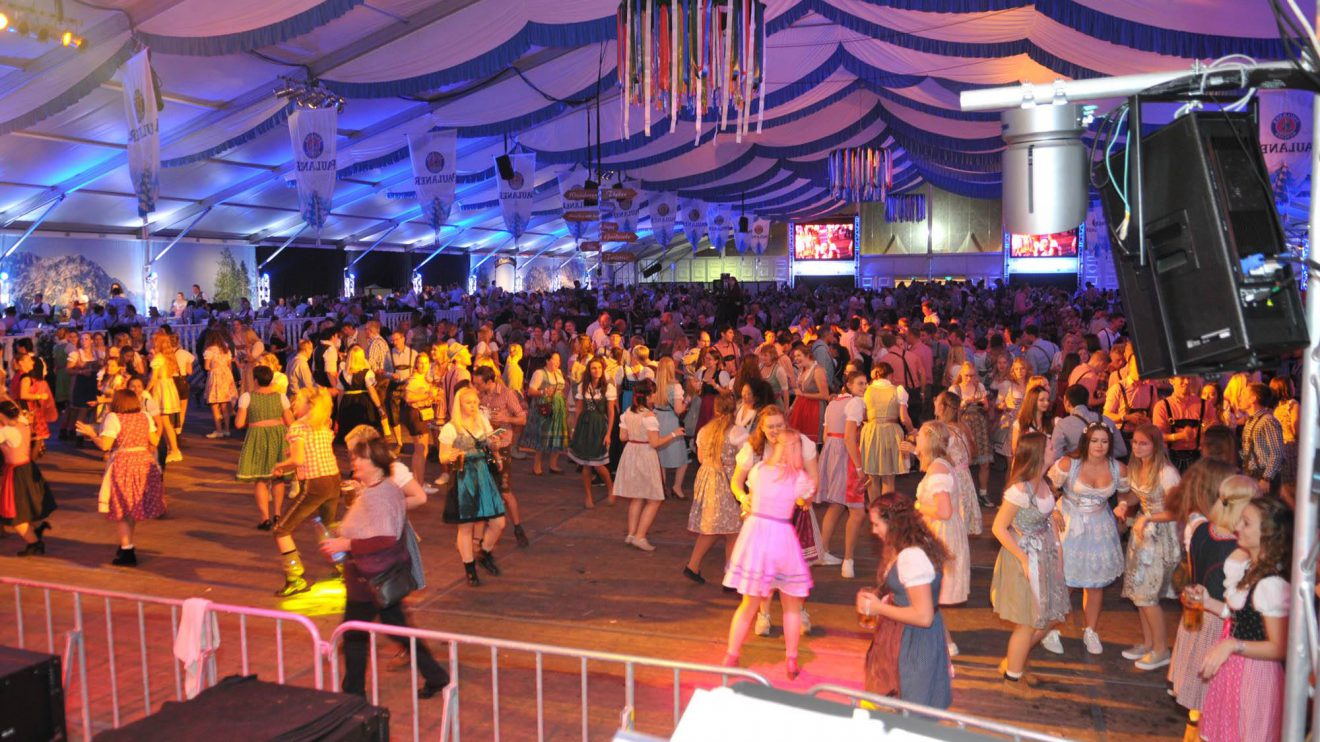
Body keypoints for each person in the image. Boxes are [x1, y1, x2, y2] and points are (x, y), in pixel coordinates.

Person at [321, 437, 450, 698]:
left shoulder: (377, 495)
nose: (354, 461)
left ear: (375, 463)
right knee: (399, 630)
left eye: (360, 457)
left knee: (355, 637)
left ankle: (353, 695)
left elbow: (384, 537)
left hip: (369, 578)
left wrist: (346, 542)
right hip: (382, 576)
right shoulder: (386, 488)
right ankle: (436, 675)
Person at [1194, 495, 1292, 742]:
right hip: (1235, 671)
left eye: (1246, 523)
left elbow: (1280, 647)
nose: (1237, 527)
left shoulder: (1272, 583)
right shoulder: (1250, 565)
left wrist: (1232, 645)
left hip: (1256, 677)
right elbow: (1241, 617)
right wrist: (1209, 603)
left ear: (1268, 533)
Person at [723, 415, 814, 680]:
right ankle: (791, 658)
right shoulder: (798, 479)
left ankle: (731, 655)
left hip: (757, 535)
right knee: (791, 604)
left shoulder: (759, 471)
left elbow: (748, 492)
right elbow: (806, 499)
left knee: (748, 603)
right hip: (782, 536)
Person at [990, 431, 1069, 695]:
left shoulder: (1043, 482)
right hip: (1023, 558)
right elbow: (999, 528)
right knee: (1027, 622)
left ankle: (1015, 663)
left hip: (1043, 554)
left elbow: (1044, 512)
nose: (1053, 446)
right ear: (1036, 452)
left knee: (1048, 618)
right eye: (1048, 445)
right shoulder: (1019, 489)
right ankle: (1013, 680)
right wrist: (1023, 558)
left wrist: (1054, 516)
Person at [857, 497, 953, 709]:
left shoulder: (912, 557)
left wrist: (878, 608)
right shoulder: (911, 545)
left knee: (910, 702)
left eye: (876, 524)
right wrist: (878, 594)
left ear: (892, 523)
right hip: (908, 636)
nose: (874, 530)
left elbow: (924, 616)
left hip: (913, 642)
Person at [1044, 422, 1129, 656]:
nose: (1099, 446)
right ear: (1086, 441)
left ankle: (1090, 630)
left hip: (1100, 526)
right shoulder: (1068, 464)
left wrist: (1122, 506)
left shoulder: (1118, 469)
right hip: (1070, 525)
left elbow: (1125, 492)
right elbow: (1045, 487)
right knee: (1066, 582)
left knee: (1095, 583)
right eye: (1095, 440)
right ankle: (1050, 628)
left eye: (1104, 441)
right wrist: (1053, 510)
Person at [1166, 460, 1241, 712]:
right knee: (1213, 703)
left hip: (1196, 616)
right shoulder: (1231, 543)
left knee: (1198, 706)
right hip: (1217, 623)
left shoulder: (1197, 525)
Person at [1119, 423, 1182, 671]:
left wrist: (1149, 517)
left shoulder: (1166, 472)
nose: (1136, 447)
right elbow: (1137, 494)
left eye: (1143, 443)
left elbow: (1177, 509)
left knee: (1147, 594)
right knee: (1138, 591)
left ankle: (1161, 649)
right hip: (1143, 533)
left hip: (1162, 536)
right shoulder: (1138, 466)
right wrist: (1125, 505)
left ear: (1155, 445)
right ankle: (1148, 643)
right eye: (1134, 442)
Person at [77, 390, 163, 566]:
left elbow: (105, 445)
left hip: (124, 464)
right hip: (145, 464)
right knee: (131, 507)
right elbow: (154, 440)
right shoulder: (145, 416)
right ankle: (126, 544)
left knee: (122, 510)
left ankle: (127, 552)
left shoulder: (113, 418)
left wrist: (92, 434)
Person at [269, 387, 340, 597]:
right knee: (328, 528)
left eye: (297, 400)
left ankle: (295, 577)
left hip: (315, 483)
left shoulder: (298, 428)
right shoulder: (323, 425)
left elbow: (298, 460)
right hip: (333, 480)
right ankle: (345, 568)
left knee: (281, 529)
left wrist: (280, 465)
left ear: (309, 404)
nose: (293, 403)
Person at [438, 387, 509, 586]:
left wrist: (496, 451)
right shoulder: (451, 428)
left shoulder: (482, 421)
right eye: (469, 403)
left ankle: (484, 553)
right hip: (464, 477)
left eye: (475, 403)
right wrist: (450, 456)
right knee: (466, 527)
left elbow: (490, 446)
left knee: (498, 522)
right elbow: (442, 456)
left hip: (483, 473)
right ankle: (469, 569)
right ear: (459, 405)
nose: (473, 406)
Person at [911, 420, 970, 655]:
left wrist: (918, 506)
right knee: (925, 591)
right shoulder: (942, 463)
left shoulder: (938, 470)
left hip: (939, 535)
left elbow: (944, 511)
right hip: (942, 533)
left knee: (926, 591)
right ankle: (942, 640)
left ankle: (945, 642)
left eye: (919, 439)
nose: (916, 441)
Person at [684, 392, 742, 583]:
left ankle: (693, 565)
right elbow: (745, 459)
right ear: (735, 409)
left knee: (713, 527)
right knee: (733, 530)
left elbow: (700, 459)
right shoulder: (737, 432)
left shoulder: (704, 430)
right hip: (727, 482)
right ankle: (730, 576)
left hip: (706, 480)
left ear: (716, 409)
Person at [816, 371, 869, 578]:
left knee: (836, 505)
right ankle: (848, 561)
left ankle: (823, 551)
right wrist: (858, 467)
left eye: (865, 383)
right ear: (848, 384)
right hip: (846, 456)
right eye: (860, 383)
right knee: (857, 511)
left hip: (831, 451)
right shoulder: (856, 404)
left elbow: (825, 434)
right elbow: (849, 437)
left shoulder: (832, 403)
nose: (864, 387)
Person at [615, 380, 677, 551]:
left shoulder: (628, 412)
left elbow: (622, 437)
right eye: (655, 393)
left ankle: (631, 533)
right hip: (645, 454)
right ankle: (640, 536)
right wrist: (673, 434)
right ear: (649, 395)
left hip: (631, 452)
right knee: (655, 499)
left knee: (637, 496)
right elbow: (655, 442)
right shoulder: (649, 416)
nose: (656, 396)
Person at [471, 365, 529, 547]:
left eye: (478, 383)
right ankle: (482, 534)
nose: (476, 386)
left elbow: (522, 418)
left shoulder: (506, 394)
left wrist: (506, 420)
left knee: (504, 490)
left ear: (489, 381)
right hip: (484, 447)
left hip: (502, 447)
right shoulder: (479, 396)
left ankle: (518, 527)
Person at [236, 365, 294, 531]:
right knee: (278, 477)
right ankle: (277, 514)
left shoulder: (247, 397)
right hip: (278, 435)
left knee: (261, 479)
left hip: (257, 436)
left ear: (255, 380)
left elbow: (239, 423)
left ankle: (265, 518)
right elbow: (290, 421)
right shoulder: (281, 397)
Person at [0, 400, 55, 556]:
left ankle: (35, 544)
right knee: (27, 506)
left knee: (15, 516)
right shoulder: (23, 423)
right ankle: (38, 527)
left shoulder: (7, 431)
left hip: (17, 473)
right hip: (28, 468)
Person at [567, 357, 615, 509]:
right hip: (585, 425)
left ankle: (610, 489)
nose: (597, 371)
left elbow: (611, 412)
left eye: (599, 368)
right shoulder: (583, 386)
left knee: (600, 464)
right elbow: (579, 408)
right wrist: (574, 429)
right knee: (586, 464)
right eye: (594, 368)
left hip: (599, 425)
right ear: (589, 370)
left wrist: (608, 434)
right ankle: (588, 496)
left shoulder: (608, 387)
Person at [860, 364, 912, 500]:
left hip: (871, 430)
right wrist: (912, 431)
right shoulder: (898, 390)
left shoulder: (866, 390)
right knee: (888, 478)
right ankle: (886, 513)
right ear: (890, 375)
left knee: (873, 476)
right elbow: (904, 417)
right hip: (891, 431)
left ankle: (874, 513)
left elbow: (863, 414)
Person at [949, 361, 993, 507]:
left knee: (984, 463)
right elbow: (951, 412)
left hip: (979, 425)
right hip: (963, 426)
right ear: (961, 374)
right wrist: (965, 402)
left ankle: (983, 493)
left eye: (972, 376)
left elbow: (986, 407)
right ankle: (963, 495)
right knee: (962, 463)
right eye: (967, 375)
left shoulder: (979, 387)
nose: (969, 379)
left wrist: (982, 403)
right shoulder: (955, 389)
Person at [1154, 376, 1215, 472]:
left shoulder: (1205, 405)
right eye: (1182, 378)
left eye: (1189, 378)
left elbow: (1215, 433)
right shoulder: (1162, 406)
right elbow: (1157, 436)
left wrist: (1206, 431)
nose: (1187, 382)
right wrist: (1179, 436)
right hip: (1171, 459)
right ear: (1171, 380)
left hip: (1198, 458)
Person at [523, 352, 569, 476]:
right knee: (542, 436)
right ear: (547, 360)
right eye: (555, 360)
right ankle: (536, 466)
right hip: (544, 408)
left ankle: (553, 464)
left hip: (558, 408)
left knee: (557, 435)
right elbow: (530, 391)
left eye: (559, 360)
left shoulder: (559, 373)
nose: (557, 363)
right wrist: (543, 392)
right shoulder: (539, 373)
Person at [653, 357, 690, 500]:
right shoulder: (675, 386)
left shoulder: (655, 384)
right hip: (671, 421)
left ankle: (663, 487)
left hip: (657, 419)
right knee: (682, 458)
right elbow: (678, 410)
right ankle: (677, 486)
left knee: (660, 457)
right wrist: (687, 400)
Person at [335, 346, 384, 443]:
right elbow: (372, 391)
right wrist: (379, 407)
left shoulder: (342, 373)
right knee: (365, 432)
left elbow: (340, 393)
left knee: (350, 432)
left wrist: (338, 409)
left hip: (347, 403)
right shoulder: (367, 373)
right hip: (363, 403)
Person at [148, 333, 183, 463]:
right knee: (165, 421)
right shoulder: (167, 356)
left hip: (161, 388)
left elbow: (153, 378)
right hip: (168, 386)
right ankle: (172, 449)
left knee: (165, 422)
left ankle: (174, 450)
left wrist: (145, 390)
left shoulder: (158, 357)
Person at [786, 343, 829, 444]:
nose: (796, 358)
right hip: (802, 407)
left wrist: (803, 395)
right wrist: (791, 408)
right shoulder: (803, 370)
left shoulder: (818, 370)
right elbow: (799, 393)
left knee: (811, 443)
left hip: (814, 408)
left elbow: (825, 395)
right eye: (795, 356)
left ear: (808, 355)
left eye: (798, 355)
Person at [1269, 376, 1299, 506]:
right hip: (1292, 448)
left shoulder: (1273, 409)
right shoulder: (1292, 405)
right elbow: (1297, 429)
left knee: (1283, 487)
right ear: (1287, 388)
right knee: (1295, 487)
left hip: (1278, 450)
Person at [203, 331, 237, 439]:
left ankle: (218, 430)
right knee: (224, 404)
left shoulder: (209, 351)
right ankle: (227, 429)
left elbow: (207, 367)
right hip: (226, 375)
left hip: (216, 376)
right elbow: (229, 365)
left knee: (214, 404)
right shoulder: (226, 349)